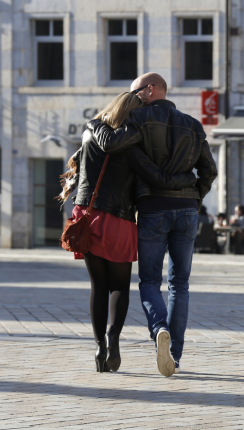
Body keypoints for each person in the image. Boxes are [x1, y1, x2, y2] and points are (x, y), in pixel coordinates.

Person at [89, 72, 217, 377]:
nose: (132, 98)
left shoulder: (139, 119)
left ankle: (159, 328)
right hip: (187, 210)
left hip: (152, 208)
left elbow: (114, 146)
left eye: (135, 92)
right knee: (180, 284)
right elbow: (209, 171)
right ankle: (175, 354)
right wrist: (194, 198)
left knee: (149, 281)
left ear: (149, 90)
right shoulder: (193, 124)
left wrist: (96, 124)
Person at [59, 91, 197, 373]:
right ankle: (113, 338)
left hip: (87, 215)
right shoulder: (133, 143)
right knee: (119, 287)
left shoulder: (89, 133)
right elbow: (150, 176)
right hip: (120, 220)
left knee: (98, 286)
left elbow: (79, 169)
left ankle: (99, 347)